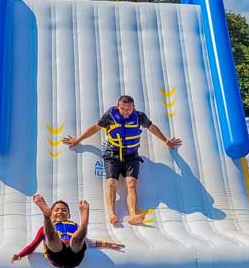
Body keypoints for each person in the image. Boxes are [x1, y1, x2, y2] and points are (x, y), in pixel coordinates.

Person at [62, 95, 182, 225]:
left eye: (129, 109)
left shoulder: (139, 116)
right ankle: (112, 214)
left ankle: (132, 214)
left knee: (131, 184)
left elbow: (152, 127)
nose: (126, 111)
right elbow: (95, 127)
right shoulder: (110, 115)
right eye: (123, 108)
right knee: (112, 183)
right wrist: (78, 140)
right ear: (117, 106)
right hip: (112, 154)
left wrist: (166, 140)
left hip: (131, 155)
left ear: (133, 107)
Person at [11, 195, 124, 268]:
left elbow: (90, 242)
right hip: (56, 255)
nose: (60, 211)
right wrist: (20, 255)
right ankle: (46, 216)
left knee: (76, 238)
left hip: (75, 255)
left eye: (64, 210)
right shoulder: (44, 229)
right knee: (53, 236)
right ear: (52, 213)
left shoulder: (74, 226)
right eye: (57, 210)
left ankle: (85, 223)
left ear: (69, 215)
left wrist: (110, 244)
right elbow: (33, 245)